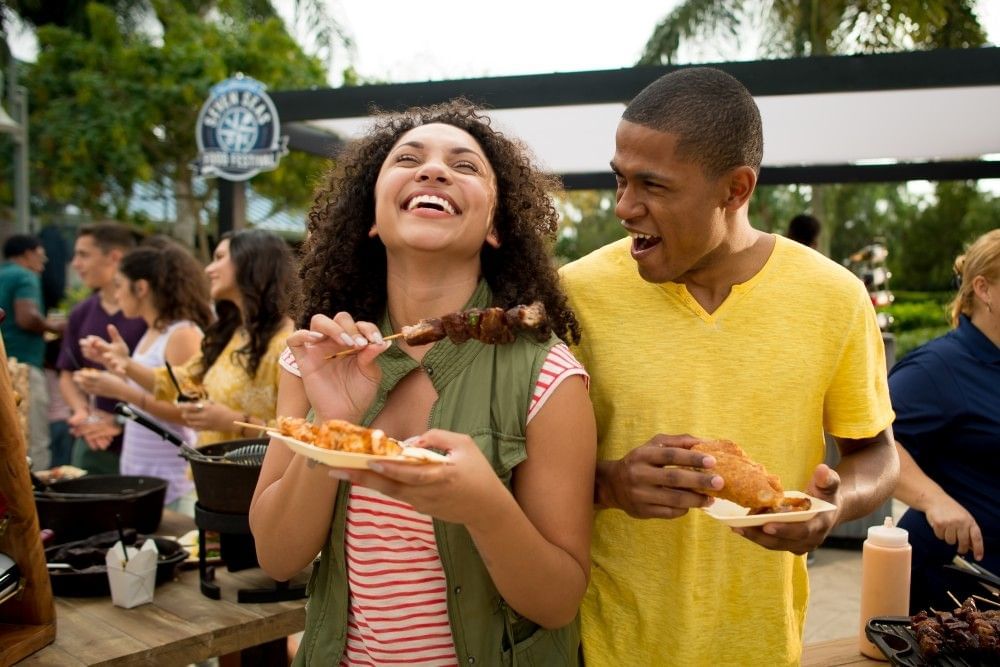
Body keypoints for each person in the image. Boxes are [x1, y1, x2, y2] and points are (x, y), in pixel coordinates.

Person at [558, 67, 898, 666]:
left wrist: (832, 507)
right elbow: (521, 469)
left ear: (735, 189)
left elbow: (876, 453)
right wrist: (609, 484)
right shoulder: (575, 295)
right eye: (619, 180)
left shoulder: (833, 297)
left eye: (652, 186)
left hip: (763, 647)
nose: (623, 207)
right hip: (600, 647)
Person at [249, 99, 596, 666]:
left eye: (464, 166)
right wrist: (333, 428)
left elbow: (558, 602)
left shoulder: (549, 377)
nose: (432, 170)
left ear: (496, 228)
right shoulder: (313, 360)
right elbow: (278, 556)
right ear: (370, 215)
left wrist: (486, 506)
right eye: (407, 158)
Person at [93, 229, 297, 445]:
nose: (208, 269)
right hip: (211, 471)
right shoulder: (234, 333)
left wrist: (234, 422)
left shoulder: (286, 343)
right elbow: (180, 381)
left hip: (252, 475)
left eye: (219, 258)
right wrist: (126, 364)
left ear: (251, 262)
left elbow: (297, 434)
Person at [889, 228, 1000, 614]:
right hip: (955, 587)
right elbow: (871, 439)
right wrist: (933, 499)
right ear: (984, 289)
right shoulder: (938, 368)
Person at [75, 240, 213, 512]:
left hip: (172, 479)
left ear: (141, 287)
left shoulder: (182, 335)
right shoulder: (154, 331)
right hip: (145, 472)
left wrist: (120, 390)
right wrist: (115, 364)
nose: (116, 295)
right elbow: (151, 390)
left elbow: (188, 413)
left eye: (119, 285)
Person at [56, 223, 147, 475]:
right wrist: (83, 413)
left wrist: (119, 421)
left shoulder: (148, 314)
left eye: (84, 255)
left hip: (142, 441)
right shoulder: (81, 312)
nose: (76, 263)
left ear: (114, 257)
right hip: (93, 441)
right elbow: (67, 375)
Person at [0, 234, 67, 468]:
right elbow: (27, 318)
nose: (45, 260)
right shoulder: (25, 276)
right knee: (35, 440)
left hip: (4, 365)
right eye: (41, 253)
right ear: (28, 254)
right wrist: (56, 327)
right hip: (23, 368)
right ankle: (36, 500)